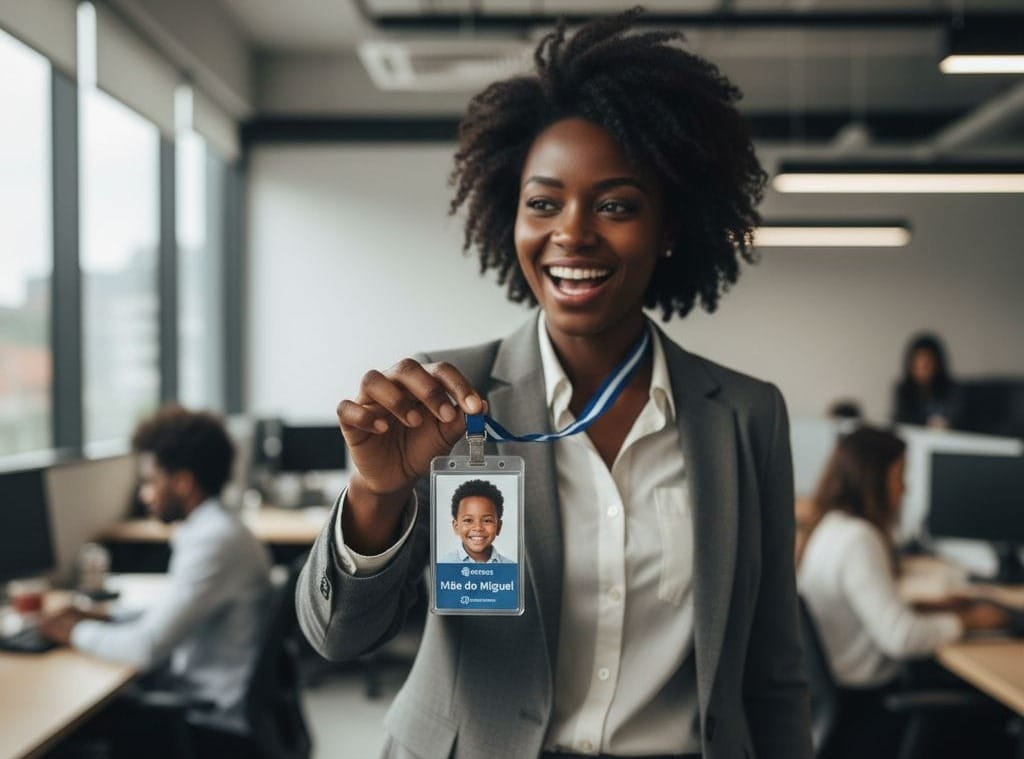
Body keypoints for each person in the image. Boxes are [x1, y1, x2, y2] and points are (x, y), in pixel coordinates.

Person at [297, 9, 812, 759]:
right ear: (511, 217)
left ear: (670, 226)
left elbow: (773, 672)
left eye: (616, 204)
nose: (573, 232)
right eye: (544, 203)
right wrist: (378, 493)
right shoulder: (446, 398)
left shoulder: (745, 415)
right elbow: (339, 636)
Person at [39, 405, 272, 748]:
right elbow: (171, 613)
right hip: (210, 701)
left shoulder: (214, 542)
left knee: (68, 733)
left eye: (150, 481)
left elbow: (146, 649)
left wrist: (73, 630)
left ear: (183, 482)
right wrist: (106, 616)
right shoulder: (214, 529)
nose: (143, 495)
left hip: (210, 722)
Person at [798, 426, 1008, 758]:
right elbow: (900, 638)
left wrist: (932, 608)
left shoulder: (832, 527)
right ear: (873, 479)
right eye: (899, 476)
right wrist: (969, 622)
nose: (905, 488)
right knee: (996, 715)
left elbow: (864, 608)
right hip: (868, 708)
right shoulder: (859, 540)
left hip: (840, 699)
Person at [892, 333, 963, 429]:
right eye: (916, 366)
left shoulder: (952, 390)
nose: (921, 371)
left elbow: (957, 420)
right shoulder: (904, 390)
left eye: (926, 365)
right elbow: (901, 422)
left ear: (937, 364)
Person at [439, 478, 513, 563]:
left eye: (487, 521)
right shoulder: (444, 565)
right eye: (468, 520)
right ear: (456, 527)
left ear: (499, 527)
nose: (478, 528)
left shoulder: (511, 567)